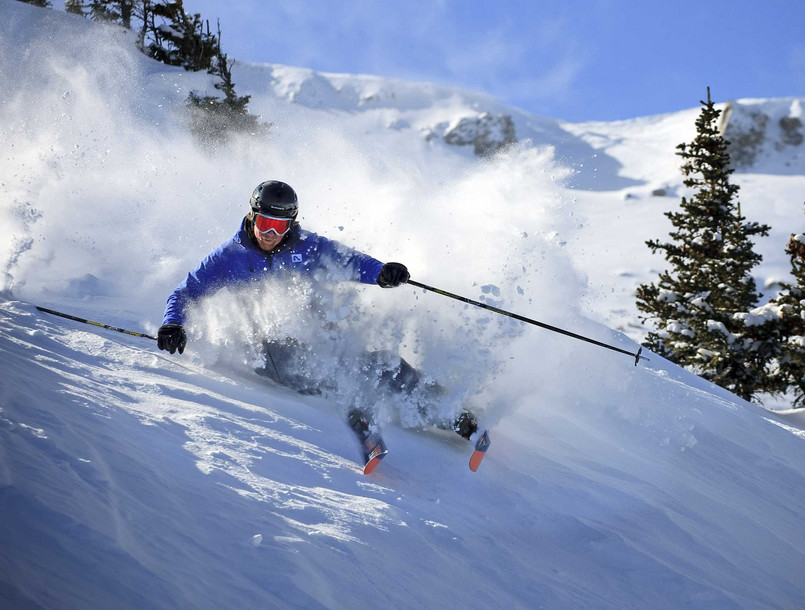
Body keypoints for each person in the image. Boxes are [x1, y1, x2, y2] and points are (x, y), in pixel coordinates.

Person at [157, 180, 477, 441]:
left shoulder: (307, 247)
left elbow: (348, 261)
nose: (270, 233)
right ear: (253, 216)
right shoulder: (229, 257)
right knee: (314, 365)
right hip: (269, 351)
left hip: (318, 337)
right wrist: (174, 324)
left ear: (291, 225)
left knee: (384, 365)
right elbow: (188, 291)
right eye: (265, 223)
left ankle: (449, 412)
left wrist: (381, 273)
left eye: (280, 226)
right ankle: (355, 410)